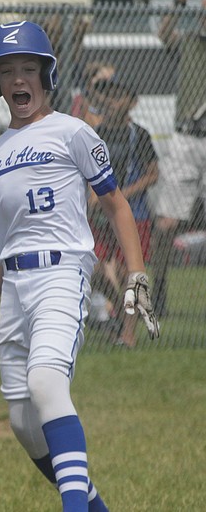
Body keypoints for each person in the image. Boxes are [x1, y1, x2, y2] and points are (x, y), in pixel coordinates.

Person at [0, 20, 160, 512]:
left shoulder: (73, 131)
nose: (19, 79)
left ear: (46, 76)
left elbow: (115, 203)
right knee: (24, 425)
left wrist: (136, 271)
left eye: (29, 68)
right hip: (17, 285)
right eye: (8, 71)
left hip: (61, 274)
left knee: (46, 383)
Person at [84, 80, 159, 347]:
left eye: (120, 97)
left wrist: (124, 194)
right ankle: (120, 306)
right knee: (92, 269)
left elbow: (153, 174)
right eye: (110, 96)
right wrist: (94, 196)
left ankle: (128, 334)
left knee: (131, 271)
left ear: (132, 102)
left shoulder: (139, 134)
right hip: (102, 215)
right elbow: (90, 171)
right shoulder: (96, 133)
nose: (113, 102)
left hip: (134, 214)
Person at [150, 0, 206, 317]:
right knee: (167, 223)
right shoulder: (189, 45)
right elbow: (163, 32)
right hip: (187, 137)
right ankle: (158, 292)